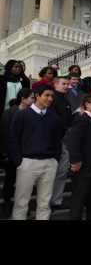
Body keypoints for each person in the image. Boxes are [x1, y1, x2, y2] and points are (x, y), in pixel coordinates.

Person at [9, 85, 63, 220]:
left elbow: (58, 141)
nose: (50, 99)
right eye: (47, 95)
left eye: (52, 96)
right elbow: (13, 138)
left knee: (44, 203)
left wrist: (55, 160)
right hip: (27, 163)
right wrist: (19, 161)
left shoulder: (54, 118)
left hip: (49, 163)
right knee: (21, 202)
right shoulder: (22, 114)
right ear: (37, 96)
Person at [0, 88, 34, 218]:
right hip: (12, 155)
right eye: (31, 98)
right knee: (10, 180)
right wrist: (7, 153)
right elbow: (4, 134)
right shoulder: (9, 113)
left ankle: (23, 208)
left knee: (26, 183)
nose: (33, 100)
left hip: (28, 154)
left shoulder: (32, 112)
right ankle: (7, 205)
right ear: (23, 99)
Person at [50, 76, 74, 211]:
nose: (66, 86)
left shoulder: (66, 99)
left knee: (62, 172)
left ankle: (56, 200)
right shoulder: (52, 99)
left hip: (65, 140)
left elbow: (68, 119)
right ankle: (47, 201)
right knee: (53, 172)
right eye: (63, 84)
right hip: (55, 140)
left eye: (67, 84)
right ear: (55, 84)